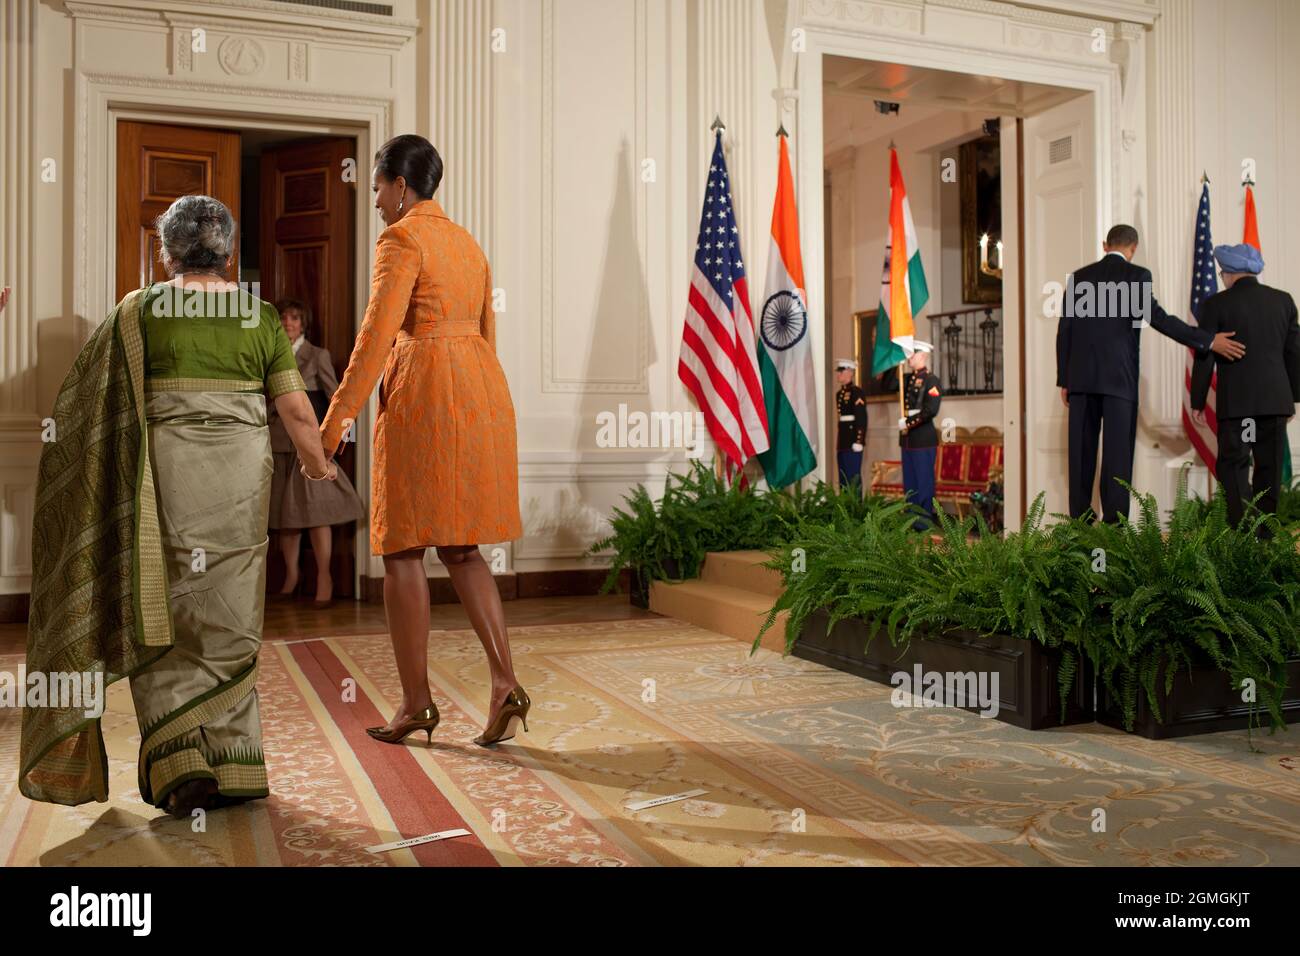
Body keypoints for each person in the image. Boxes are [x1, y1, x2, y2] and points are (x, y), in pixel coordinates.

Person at [20, 195, 334, 818]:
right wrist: (318, 464)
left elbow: (85, 406)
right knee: (231, 612)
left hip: (164, 483)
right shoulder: (260, 315)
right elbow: (297, 410)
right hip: (242, 484)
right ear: (229, 253)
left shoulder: (138, 313)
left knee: (162, 606)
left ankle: (179, 762)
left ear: (165, 253)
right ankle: (235, 764)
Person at [320, 134, 528, 747]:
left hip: (425, 395)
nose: (377, 202)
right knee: (463, 550)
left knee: (403, 548)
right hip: (481, 390)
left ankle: (416, 703)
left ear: (400, 186)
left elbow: (375, 337)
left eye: (380, 188)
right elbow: (488, 332)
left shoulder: (401, 239)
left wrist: (333, 425)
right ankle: (505, 682)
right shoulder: (466, 242)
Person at [1056, 224, 1246, 523]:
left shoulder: (1079, 278)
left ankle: (1079, 523)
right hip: (1120, 380)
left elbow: (1065, 330)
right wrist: (1208, 340)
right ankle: (1114, 529)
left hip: (1080, 380)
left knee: (1081, 454)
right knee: (1117, 456)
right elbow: (1158, 319)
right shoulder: (1136, 276)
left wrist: (1064, 380)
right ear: (1133, 248)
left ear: (1105, 245)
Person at [1190, 243, 1300, 531]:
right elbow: (1294, 353)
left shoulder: (1216, 304)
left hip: (1238, 406)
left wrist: (1198, 400)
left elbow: (1204, 356)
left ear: (1228, 274)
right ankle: (1264, 538)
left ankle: (1242, 535)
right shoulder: (1284, 301)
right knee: (1269, 469)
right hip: (1275, 402)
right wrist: (1292, 399)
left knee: (1234, 467)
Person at [267, 297, 366, 606]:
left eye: (294, 319)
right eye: (284, 318)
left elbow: (337, 401)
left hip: (308, 447)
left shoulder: (317, 356)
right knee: (286, 518)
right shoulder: (269, 354)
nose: (288, 324)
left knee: (317, 514)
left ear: (303, 324)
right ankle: (291, 578)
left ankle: (324, 576)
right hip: (276, 446)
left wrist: (336, 444)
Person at [896, 341, 941, 526]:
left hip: (923, 437)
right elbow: (889, 384)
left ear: (922, 355)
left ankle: (924, 521)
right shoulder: (908, 379)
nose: (909, 358)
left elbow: (931, 410)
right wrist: (896, 359)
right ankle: (911, 520)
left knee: (923, 482)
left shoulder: (932, 380)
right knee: (910, 482)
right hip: (908, 439)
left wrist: (909, 422)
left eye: (912, 354)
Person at [834, 358, 867, 492]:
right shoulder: (839, 394)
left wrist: (859, 440)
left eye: (841, 371)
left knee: (853, 478)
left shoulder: (856, 392)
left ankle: (856, 509)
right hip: (843, 440)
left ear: (850, 372)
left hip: (853, 440)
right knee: (843, 478)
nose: (839, 374)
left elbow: (861, 418)